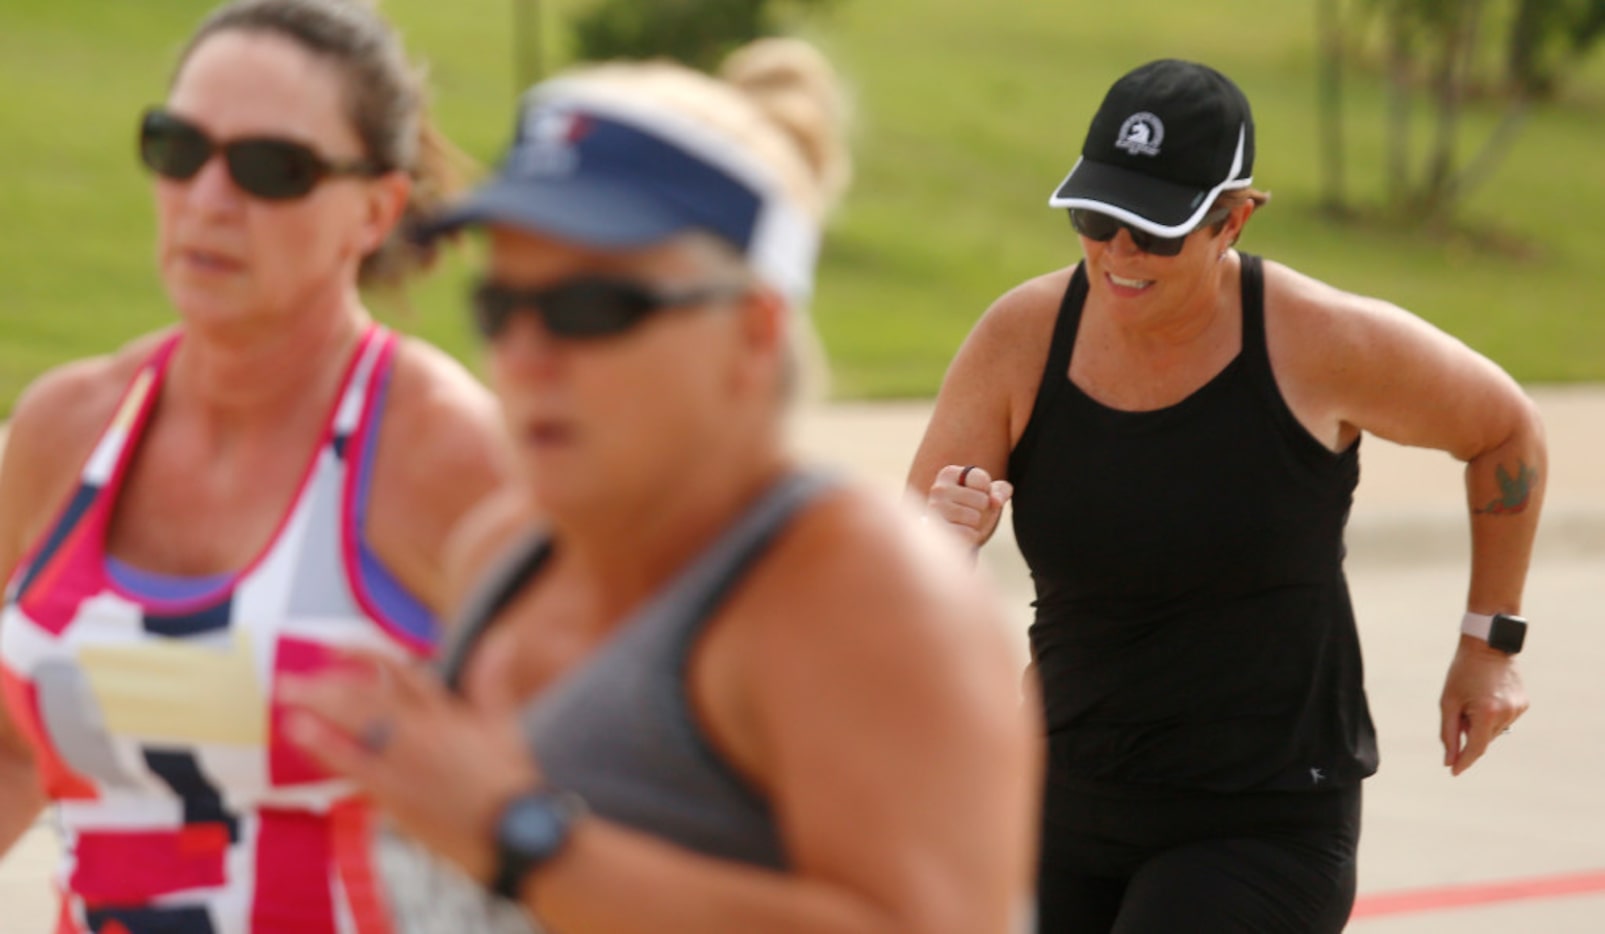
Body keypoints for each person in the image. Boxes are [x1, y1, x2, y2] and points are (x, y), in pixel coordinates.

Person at [279, 38, 1043, 934]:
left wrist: (518, 836)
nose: (524, 357)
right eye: (501, 307)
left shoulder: (861, 588)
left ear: (754, 331)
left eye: (592, 309)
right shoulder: (503, 552)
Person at [910, 58, 1544, 933]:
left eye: (1155, 230)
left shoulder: (1318, 343)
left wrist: (1490, 644)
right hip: (1057, 791)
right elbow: (905, 561)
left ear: (1232, 218)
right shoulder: (1023, 338)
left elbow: (1504, 430)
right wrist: (940, 542)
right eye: (1095, 218)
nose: (1117, 253)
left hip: (1260, 820)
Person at [0, 0, 510, 930]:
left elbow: (595, 799)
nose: (208, 199)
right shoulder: (66, 427)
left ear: (377, 209)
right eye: (178, 147)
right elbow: (7, 749)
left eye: (273, 168)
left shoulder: (446, 453)